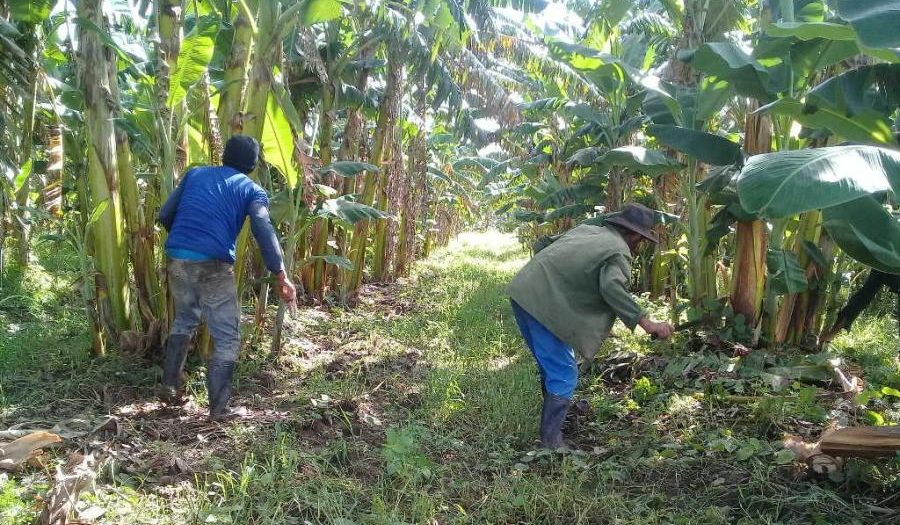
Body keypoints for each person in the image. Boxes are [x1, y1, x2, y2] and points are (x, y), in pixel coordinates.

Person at [507, 203, 675, 448]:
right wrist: (647, 323)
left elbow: (543, 244)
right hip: (542, 304)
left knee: (552, 364)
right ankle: (551, 444)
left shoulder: (589, 231)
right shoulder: (619, 251)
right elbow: (611, 287)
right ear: (637, 236)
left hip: (523, 291)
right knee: (564, 372)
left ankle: (561, 412)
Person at [157, 135, 297, 421]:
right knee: (227, 335)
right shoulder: (251, 190)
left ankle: (170, 386)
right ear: (253, 165)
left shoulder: (195, 174)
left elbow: (165, 214)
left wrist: (185, 239)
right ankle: (220, 409)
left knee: (185, 318)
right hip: (212, 263)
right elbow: (263, 230)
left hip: (176, 254)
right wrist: (280, 273)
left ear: (225, 156)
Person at [819, 269, 899, 346]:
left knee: (864, 295)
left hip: (887, 264)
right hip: (886, 264)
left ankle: (832, 334)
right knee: (863, 296)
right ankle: (832, 333)